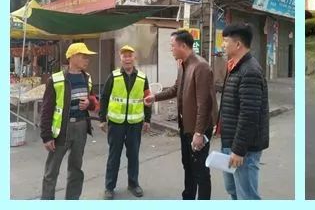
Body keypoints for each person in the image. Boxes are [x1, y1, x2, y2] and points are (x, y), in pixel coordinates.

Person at [144, 30, 218, 200]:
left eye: (172, 46)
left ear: (183, 45)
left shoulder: (201, 66)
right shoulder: (183, 65)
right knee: (188, 165)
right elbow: (176, 89)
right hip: (186, 126)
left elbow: (204, 104)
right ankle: (188, 198)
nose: (171, 49)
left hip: (197, 129)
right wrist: (155, 97)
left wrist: (199, 133)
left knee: (200, 169)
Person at [39, 42, 98, 200]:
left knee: (76, 169)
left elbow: (93, 101)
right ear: (72, 57)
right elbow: (46, 109)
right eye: (83, 56)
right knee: (52, 171)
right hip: (62, 130)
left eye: (88, 57)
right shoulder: (56, 79)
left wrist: (89, 104)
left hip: (81, 127)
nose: (87, 60)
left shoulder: (87, 78)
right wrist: (46, 136)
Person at [219, 24, 269, 201]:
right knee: (233, 190)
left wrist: (239, 150)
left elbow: (249, 115)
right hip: (230, 143)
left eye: (225, 41)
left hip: (244, 149)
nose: (222, 45)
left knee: (247, 196)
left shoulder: (250, 71)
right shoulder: (235, 67)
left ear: (238, 44)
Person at [99, 45, 151, 200]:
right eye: (124, 56)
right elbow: (104, 97)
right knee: (114, 156)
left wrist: (147, 120)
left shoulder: (142, 77)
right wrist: (102, 119)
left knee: (133, 155)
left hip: (135, 124)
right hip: (116, 123)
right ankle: (109, 187)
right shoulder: (113, 76)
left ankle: (133, 184)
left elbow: (147, 99)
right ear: (120, 59)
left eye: (130, 56)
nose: (127, 59)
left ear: (134, 58)